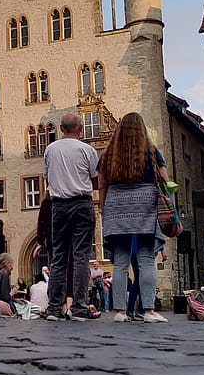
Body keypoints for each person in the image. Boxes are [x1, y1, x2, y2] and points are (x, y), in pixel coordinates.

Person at [99, 112, 175, 323]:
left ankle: (120, 312)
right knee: (146, 260)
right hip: (145, 204)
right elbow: (166, 183)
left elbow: (102, 185)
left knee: (120, 262)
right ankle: (149, 311)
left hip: (116, 205)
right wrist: (171, 207)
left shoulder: (108, 154)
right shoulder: (152, 152)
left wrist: (105, 211)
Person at [43, 113, 100, 321]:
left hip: (59, 206)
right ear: (81, 129)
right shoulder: (88, 150)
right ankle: (79, 308)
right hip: (82, 204)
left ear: (61, 128)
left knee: (58, 257)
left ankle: (53, 308)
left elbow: (48, 178)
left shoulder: (50, 149)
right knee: (81, 257)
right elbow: (96, 181)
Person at [0, 252, 18, 317]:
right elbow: (5, 297)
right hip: (0, 305)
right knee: (28, 306)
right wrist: (13, 292)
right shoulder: (4, 275)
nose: (12, 267)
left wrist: (15, 300)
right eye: (11, 264)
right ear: (7, 264)